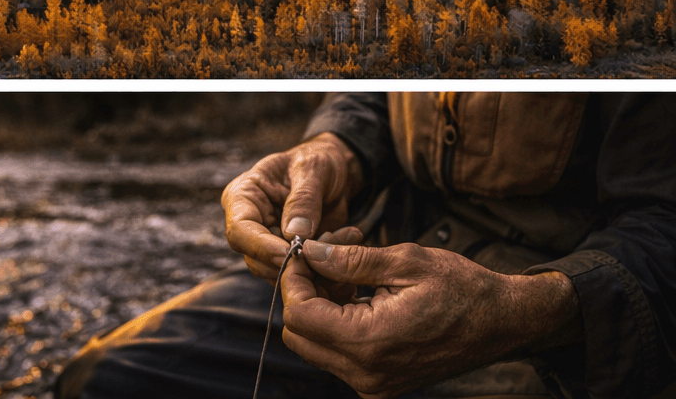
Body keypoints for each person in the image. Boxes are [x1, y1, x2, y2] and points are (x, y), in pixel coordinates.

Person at [55, 93, 676, 399]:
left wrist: (531, 311)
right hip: (361, 266)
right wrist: (332, 150)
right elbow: (373, 93)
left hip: (558, 339)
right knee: (102, 380)